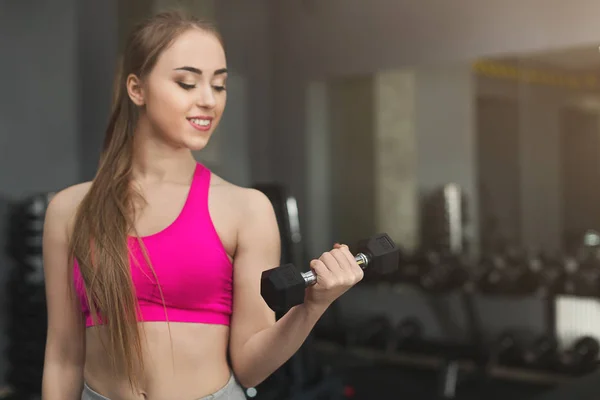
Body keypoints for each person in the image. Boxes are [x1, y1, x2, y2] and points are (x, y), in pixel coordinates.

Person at [41, 10, 364, 400]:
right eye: (187, 82)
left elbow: (250, 366)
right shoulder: (69, 210)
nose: (208, 100)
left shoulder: (247, 210)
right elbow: (62, 357)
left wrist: (313, 305)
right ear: (136, 89)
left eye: (220, 85)